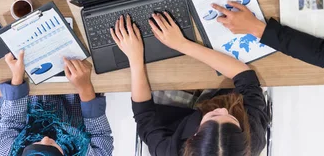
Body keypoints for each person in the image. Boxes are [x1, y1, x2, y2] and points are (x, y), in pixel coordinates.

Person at [111, 13, 269, 156]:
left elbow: (144, 115)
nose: (222, 110)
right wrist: (181, 44)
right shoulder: (252, 140)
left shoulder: (169, 152)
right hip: (220, 92)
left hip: (174, 114)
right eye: (232, 120)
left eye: (214, 116)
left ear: (193, 137)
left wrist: (134, 57)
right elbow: (246, 78)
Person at [0, 51, 113, 156]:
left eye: (38, 144)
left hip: (21, 123)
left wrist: (17, 76)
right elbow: (100, 133)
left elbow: (12, 121)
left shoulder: (4, 152)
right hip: (69, 114)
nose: (45, 138)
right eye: (51, 145)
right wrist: (84, 87)